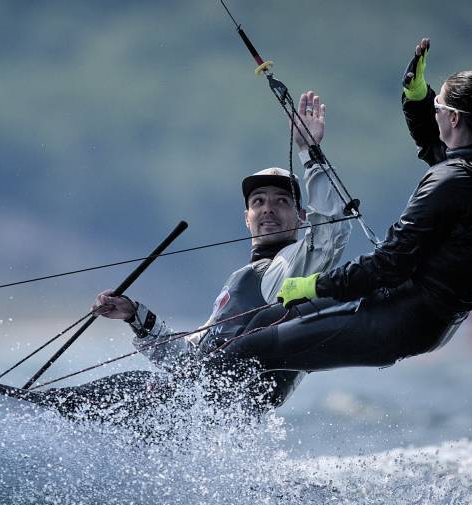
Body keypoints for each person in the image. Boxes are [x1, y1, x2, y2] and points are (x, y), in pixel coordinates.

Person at [216, 38, 472, 372]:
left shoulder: (451, 181)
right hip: (421, 315)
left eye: (437, 107)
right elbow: (436, 146)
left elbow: (389, 264)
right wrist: (416, 97)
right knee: (265, 319)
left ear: (453, 119)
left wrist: (314, 285)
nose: (434, 113)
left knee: (244, 351)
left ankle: (195, 400)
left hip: (396, 321)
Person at [38, 90, 352, 422]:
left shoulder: (296, 263)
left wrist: (309, 152)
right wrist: (135, 315)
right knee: (138, 387)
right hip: (204, 407)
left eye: (281, 201)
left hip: (223, 403)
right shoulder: (243, 279)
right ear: (246, 217)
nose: (268, 209)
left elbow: (332, 230)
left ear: (301, 217)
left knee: (133, 386)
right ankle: (48, 407)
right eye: (258, 201)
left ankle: (43, 409)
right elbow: (186, 358)